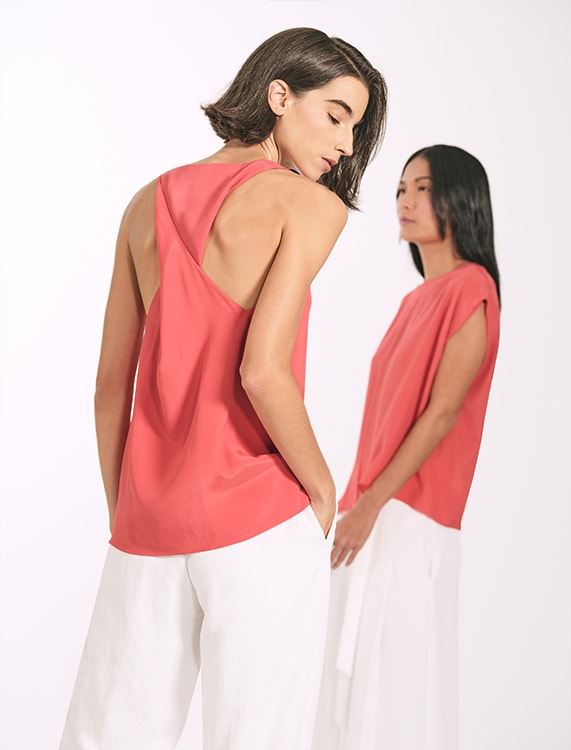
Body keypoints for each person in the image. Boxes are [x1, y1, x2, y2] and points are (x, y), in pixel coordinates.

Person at [59, 27, 387, 750]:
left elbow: (110, 387)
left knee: (108, 736)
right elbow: (261, 371)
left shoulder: (145, 204)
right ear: (280, 95)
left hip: (149, 523)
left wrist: (128, 510)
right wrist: (323, 488)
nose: (345, 144)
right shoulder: (309, 206)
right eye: (336, 115)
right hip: (258, 518)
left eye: (355, 128)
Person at [312, 145, 501, 750]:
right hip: (371, 509)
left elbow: (442, 413)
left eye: (422, 188)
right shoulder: (416, 299)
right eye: (400, 189)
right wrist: (360, 503)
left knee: (398, 681)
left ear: (460, 199)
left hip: (412, 514)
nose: (405, 200)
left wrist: (369, 505)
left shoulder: (472, 288)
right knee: (350, 678)